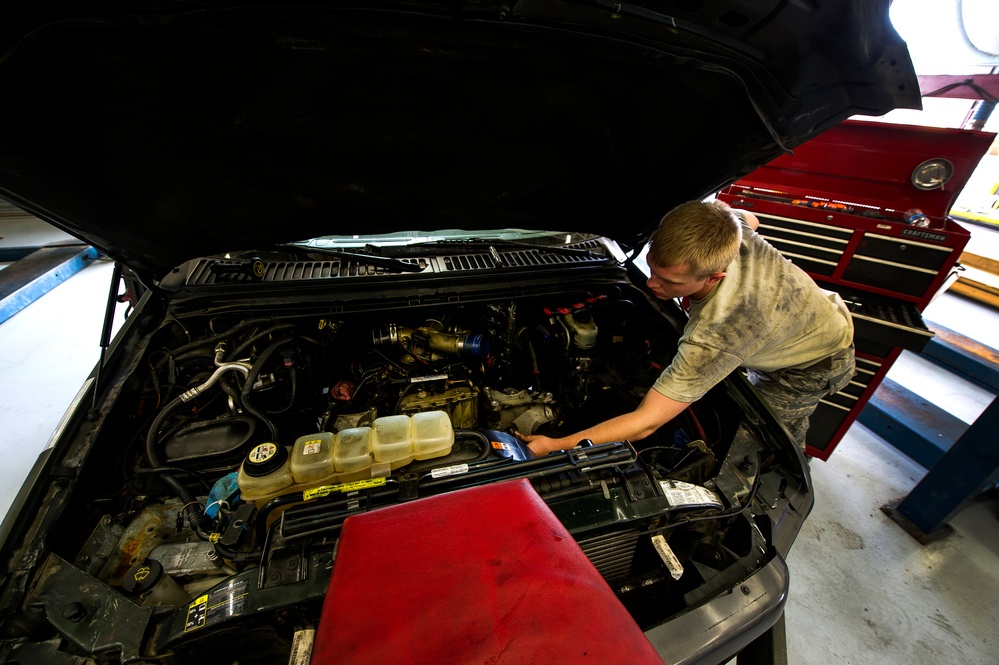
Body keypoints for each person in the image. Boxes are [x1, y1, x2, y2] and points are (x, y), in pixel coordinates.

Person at [521, 199, 855, 455]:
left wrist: (556, 445)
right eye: (651, 268)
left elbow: (644, 424)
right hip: (800, 316)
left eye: (668, 280)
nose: (651, 285)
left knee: (757, 446)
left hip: (812, 362)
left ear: (715, 276)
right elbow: (748, 218)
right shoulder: (725, 228)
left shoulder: (719, 333)